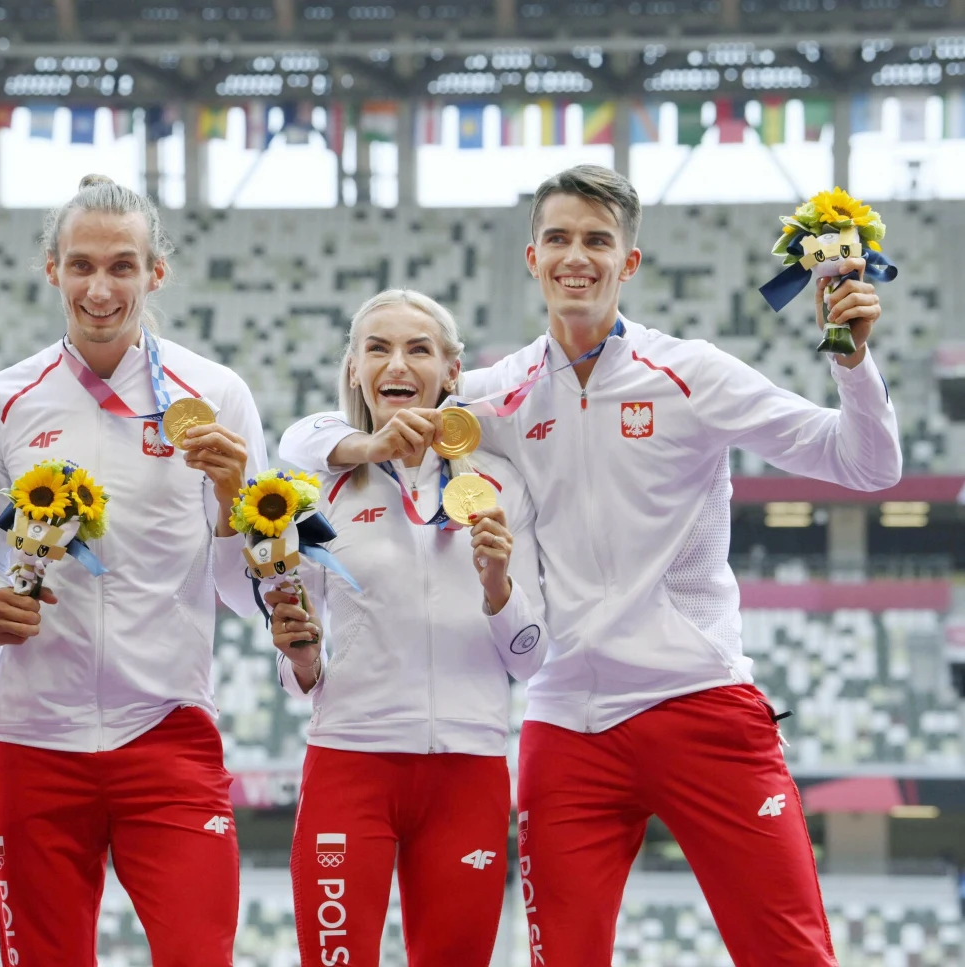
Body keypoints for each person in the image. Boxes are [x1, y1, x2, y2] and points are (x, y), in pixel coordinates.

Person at [279, 164, 901, 966]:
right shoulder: (494, 395)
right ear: (532, 257)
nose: (578, 256)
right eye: (560, 238)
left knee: (789, 952)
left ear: (628, 262)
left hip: (699, 700)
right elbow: (308, 438)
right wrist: (361, 444)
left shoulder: (691, 373)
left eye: (599, 240)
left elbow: (865, 465)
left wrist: (852, 364)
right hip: (567, 724)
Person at [0, 174, 269, 967]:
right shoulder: (3, 400)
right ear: (52, 270)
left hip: (165, 729)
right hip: (32, 736)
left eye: (123, 266)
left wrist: (236, 492)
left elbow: (244, 590)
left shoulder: (218, 396)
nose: (101, 288)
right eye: (82, 265)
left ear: (155, 272)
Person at [264, 289, 546, 967]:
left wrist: (497, 584)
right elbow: (300, 667)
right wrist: (300, 654)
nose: (398, 362)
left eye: (419, 348)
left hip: (468, 767)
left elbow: (530, 658)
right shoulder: (319, 482)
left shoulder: (502, 485)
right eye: (378, 347)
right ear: (354, 366)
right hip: (350, 760)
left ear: (451, 370)